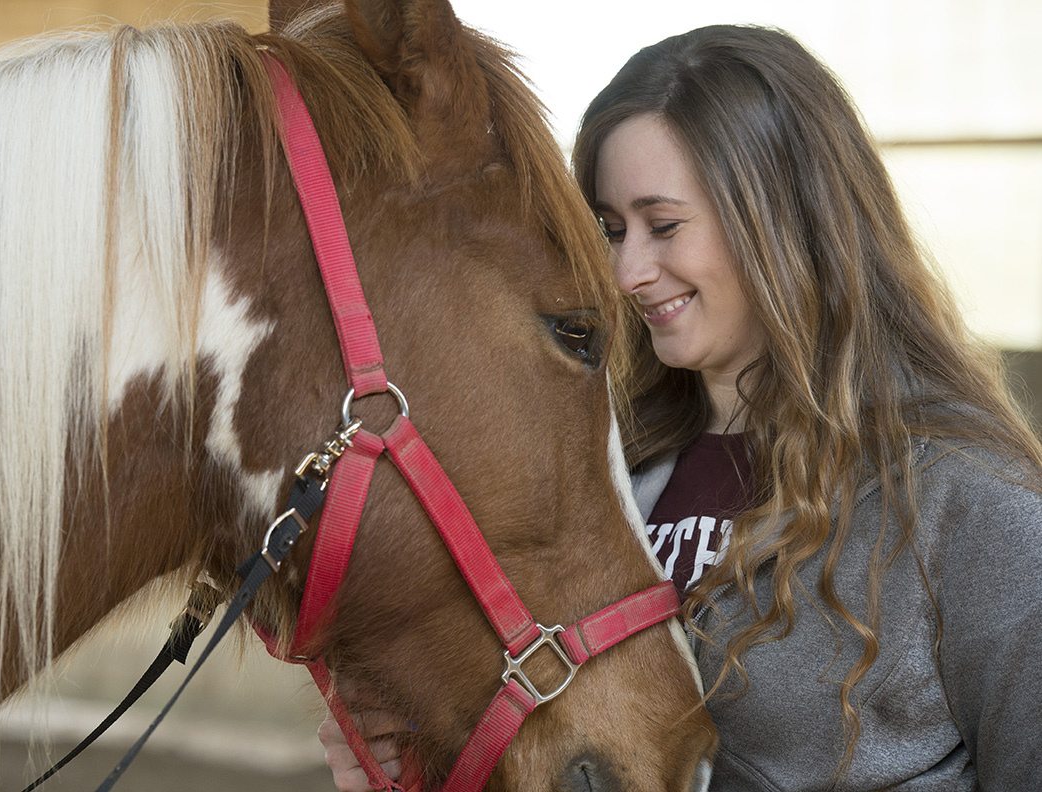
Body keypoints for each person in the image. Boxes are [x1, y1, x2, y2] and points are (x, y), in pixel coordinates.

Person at [321, 23, 1042, 790]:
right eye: (610, 230)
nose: (627, 272)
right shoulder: (604, 472)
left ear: (784, 220)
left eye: (663, 226)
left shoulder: (971, 504)